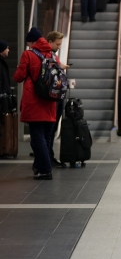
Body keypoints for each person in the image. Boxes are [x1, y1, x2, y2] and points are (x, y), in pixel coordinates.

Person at [13, 28, 56, 180]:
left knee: (37, 137)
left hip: (34, 100)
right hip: (50, 100)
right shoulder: (52, 54)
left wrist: (19, 69)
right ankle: (39, 167)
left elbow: (19, 77)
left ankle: (45, 170)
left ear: (32, 42)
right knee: (46, 137)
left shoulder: (28, 54)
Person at [46, 31, 70, 165]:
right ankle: (47, 157)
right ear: (50, 42)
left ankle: (49, 155)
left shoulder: (53, 56)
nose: (59, 47)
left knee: (53, 127)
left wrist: (61, 67)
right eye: (57, 44)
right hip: (52, 97)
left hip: (57, 96)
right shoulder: (46, 56)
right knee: (49, 129)